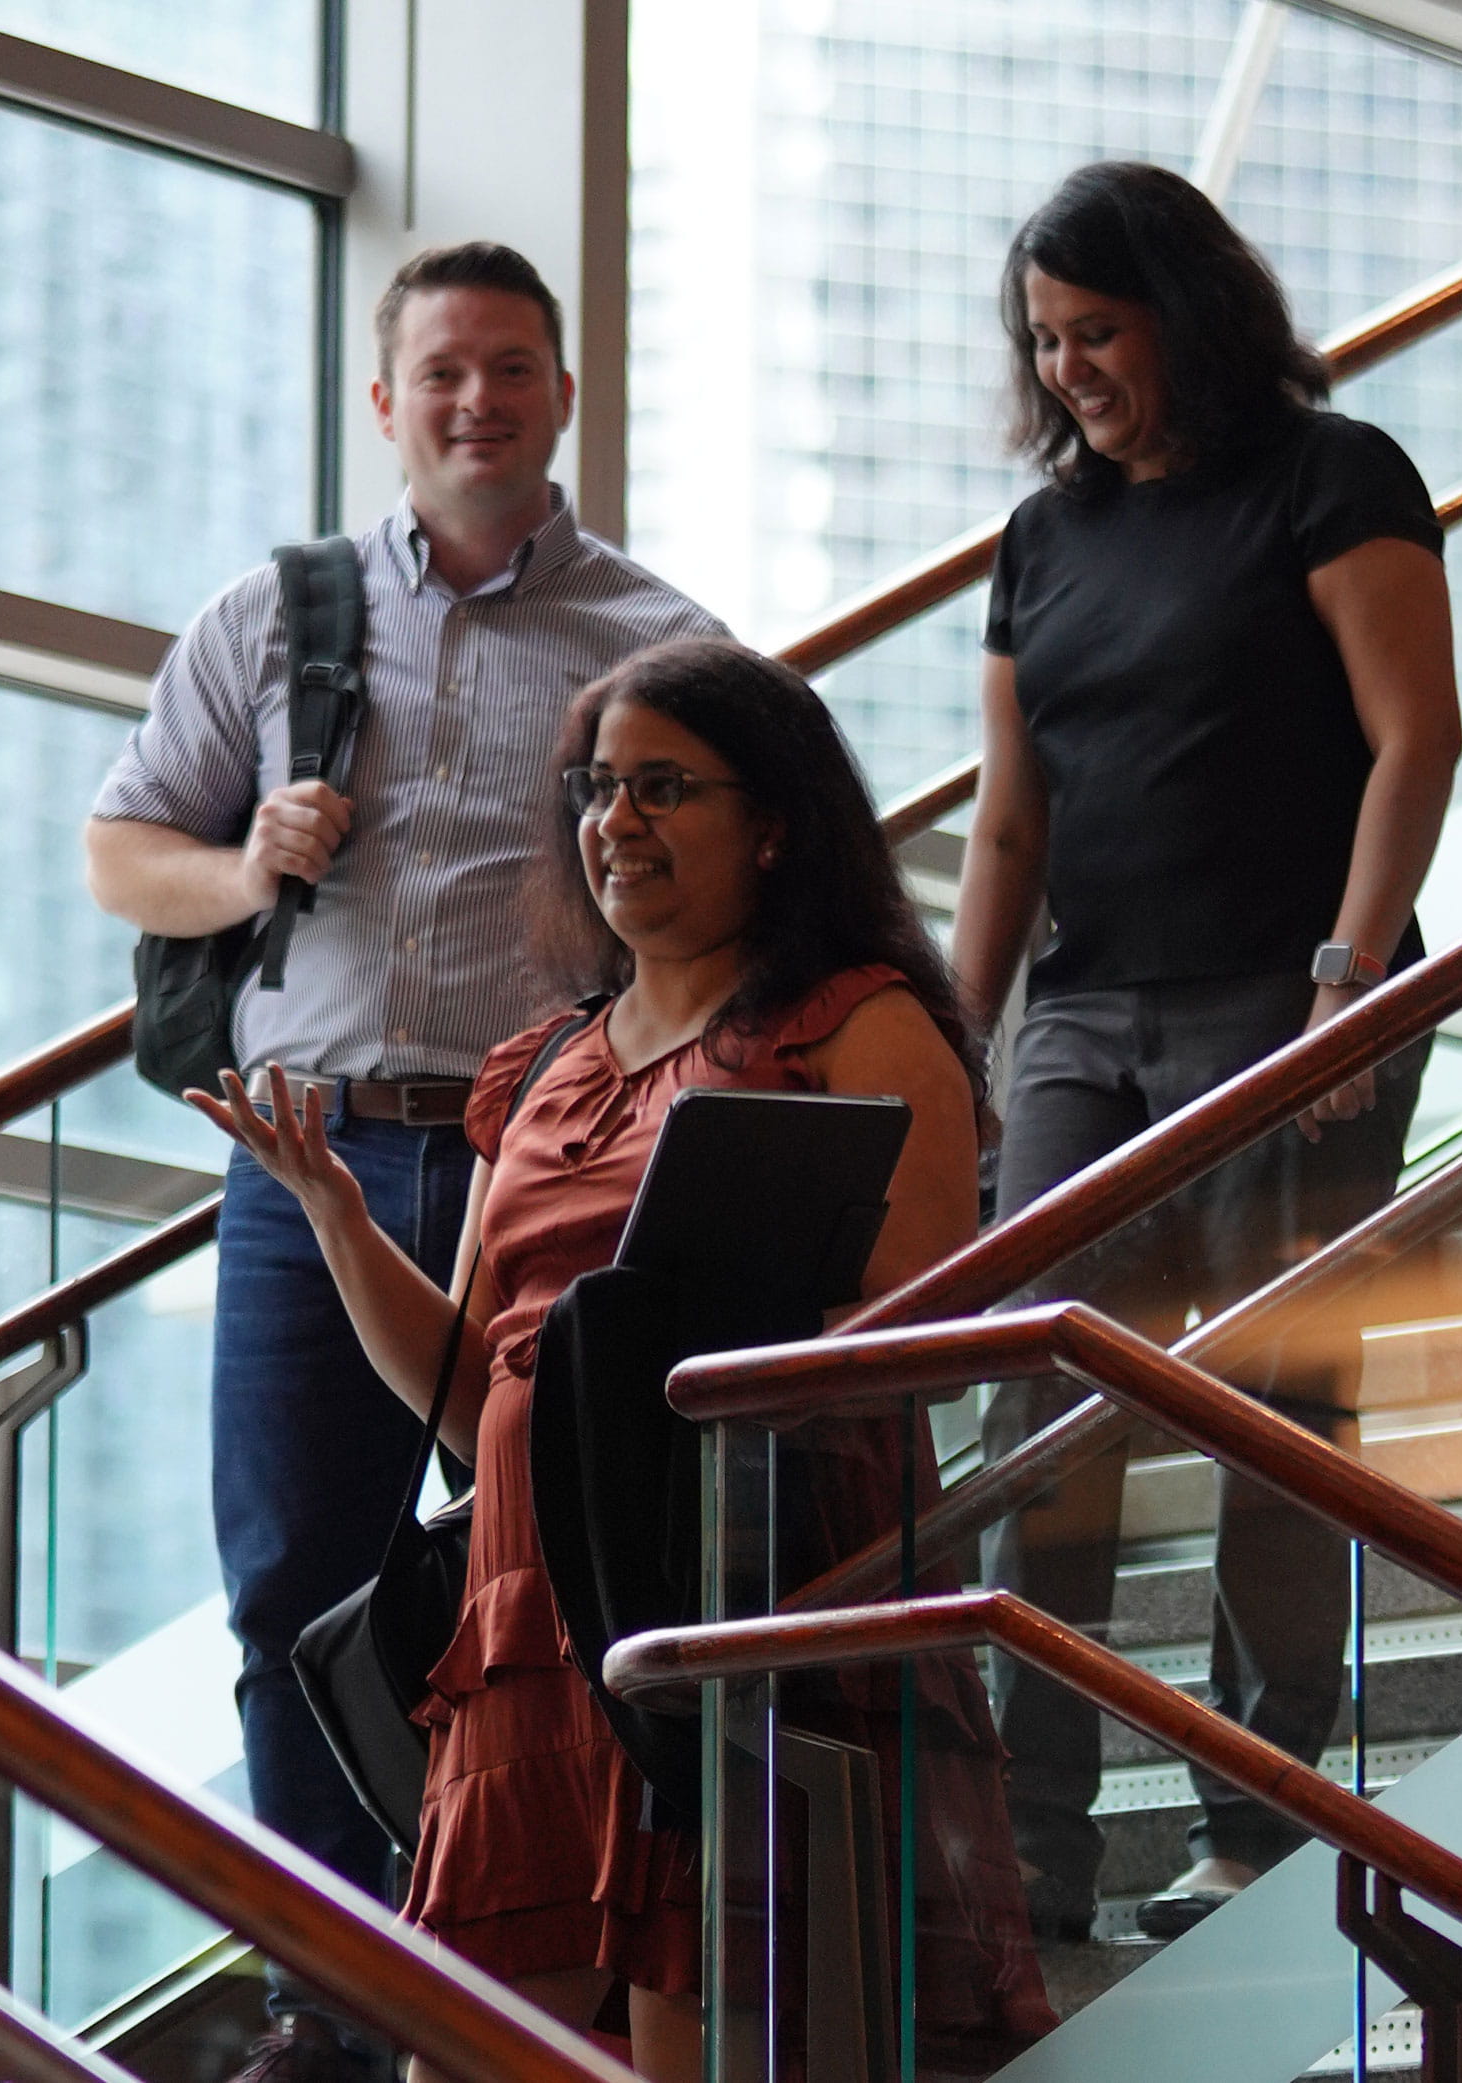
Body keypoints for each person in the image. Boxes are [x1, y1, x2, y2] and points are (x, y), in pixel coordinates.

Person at [184, 638, 1050, 2081]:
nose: (615, 824)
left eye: (664, 787)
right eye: (596, 789)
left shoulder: (855, 1024)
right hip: (525, 1616)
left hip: (730, 1577)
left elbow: (928, 1343)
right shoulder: (538, 1066)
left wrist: (718, 1365)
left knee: (685, 2021)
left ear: (773, 822)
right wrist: (335, 1214)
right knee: (465, 2043)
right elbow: (474, 1401)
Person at [82, 241, 719, 2075]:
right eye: (441, 372)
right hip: (313, 1167)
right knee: (294, 1583)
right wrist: (252, 868)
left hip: (559, 1165)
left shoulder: (658, 641)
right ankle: (328, 1997)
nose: (476, 402)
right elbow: (127, 851)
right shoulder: (276, 616)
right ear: (385, 402)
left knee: (560, 1587)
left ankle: (535, 1970)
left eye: (511, 369)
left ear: (563, 396)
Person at [948, 160, 1462, 1945]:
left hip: (1286, 1003)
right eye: (1045, 342)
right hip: (1084, 1014)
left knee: (1268, 1406)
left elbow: (1416, 741)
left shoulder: (1332, 476)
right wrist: (959, 1042)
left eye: (1098, 330)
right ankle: (1037, 1838)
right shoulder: (1046, 538)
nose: (1071, 369)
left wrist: (1352, 981)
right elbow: (1009, 829)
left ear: (1187, 308)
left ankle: (1258, 1813)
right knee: (1045, 1419)